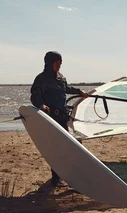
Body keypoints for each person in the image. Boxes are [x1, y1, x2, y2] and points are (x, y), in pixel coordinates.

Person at [30, 51, 88, 186]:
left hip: (63, 116)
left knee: (75, 143)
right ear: (49, 63)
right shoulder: (41, 79)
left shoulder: (61, 77)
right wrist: (41, 105)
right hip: (51, 119)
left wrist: (79, 92)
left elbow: (66, 88)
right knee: (56, 148)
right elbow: (34, 96)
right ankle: (56, 178)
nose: (59, 66)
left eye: (60, 63)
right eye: (57, 63)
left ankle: (74, 173)